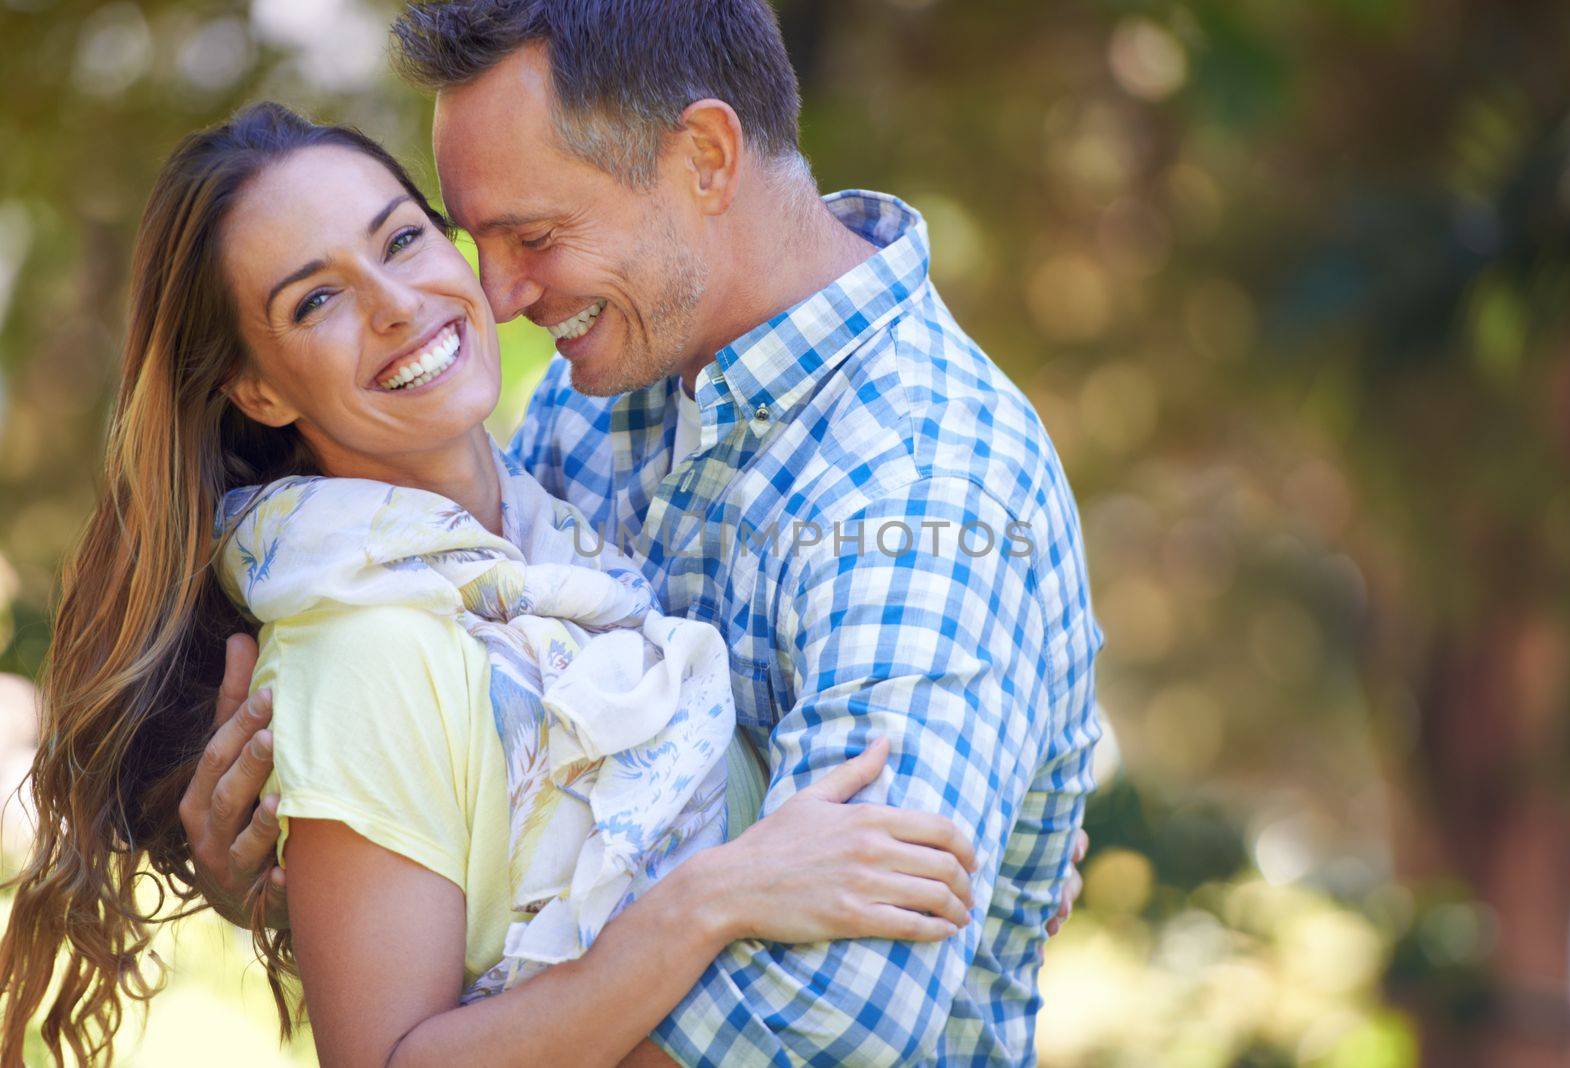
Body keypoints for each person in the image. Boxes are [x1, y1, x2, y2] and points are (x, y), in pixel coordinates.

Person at [191, 2, 1104, 1065]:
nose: (494, 293)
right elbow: (490, 823)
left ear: (706, 159)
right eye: (470, 234)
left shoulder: (929, 485)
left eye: (533, 236)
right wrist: (309, 883)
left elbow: (833, 1018)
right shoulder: (588, 407)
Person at [0, 102, 985, 1068]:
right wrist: (714, 900)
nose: (394, 303)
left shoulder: (554, 545)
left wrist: (1014, 860)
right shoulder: (368, 647)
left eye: (401, 240)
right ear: (258, 389)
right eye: (316, 300)